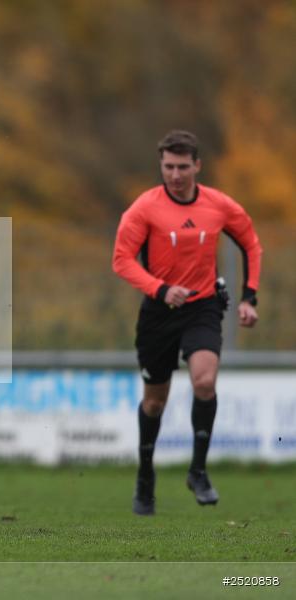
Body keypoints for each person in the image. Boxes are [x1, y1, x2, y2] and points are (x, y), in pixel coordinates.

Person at [112, 130, 262, 516]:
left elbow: (251, 243)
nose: (175, 175)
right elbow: (122, 259)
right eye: (168, 167)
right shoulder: (144, 208)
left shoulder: (219, 205)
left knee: (204, 381)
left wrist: (249, 296)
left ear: (197, 165)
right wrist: (159, 289)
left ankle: (198, 470)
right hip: (159, 314)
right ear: (160, 166)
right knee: (154, 401)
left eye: (182, 167)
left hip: (203, 307)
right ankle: (145, 478)